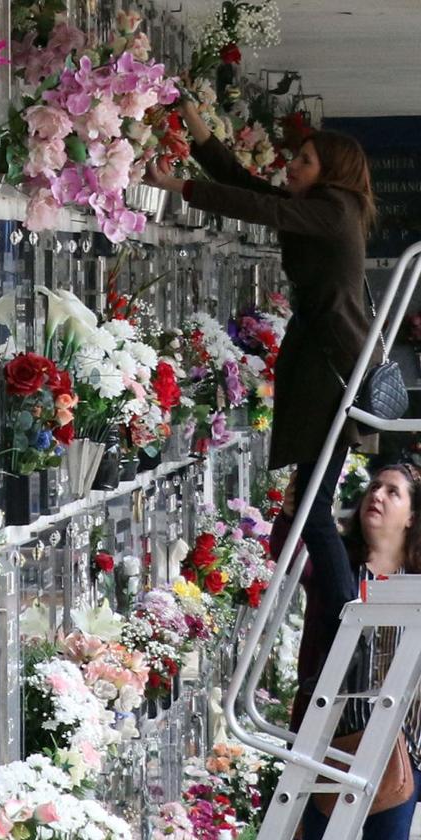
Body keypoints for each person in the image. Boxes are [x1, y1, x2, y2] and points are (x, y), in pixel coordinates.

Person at [147, 102, 379, 625]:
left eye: (306, 160)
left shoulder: (334, 209)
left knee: (312, 507)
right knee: (309, 502)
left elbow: (263, 210)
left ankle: (346, 619)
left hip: (332, 370)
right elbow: (250, 190)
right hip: (326, 362)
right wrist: (199, 129)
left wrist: (178, 187)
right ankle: (344, 614)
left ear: (333, 173)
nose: (292, 166)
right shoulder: (325, 207)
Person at [281, 464, 421, 839]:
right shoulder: (339, 565)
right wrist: (291, 514)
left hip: (404, 744)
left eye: (393, 492)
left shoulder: (416, 581)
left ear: (411, 517)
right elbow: (289, 554)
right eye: (374, 487)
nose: (376, 495)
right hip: (333, 733)